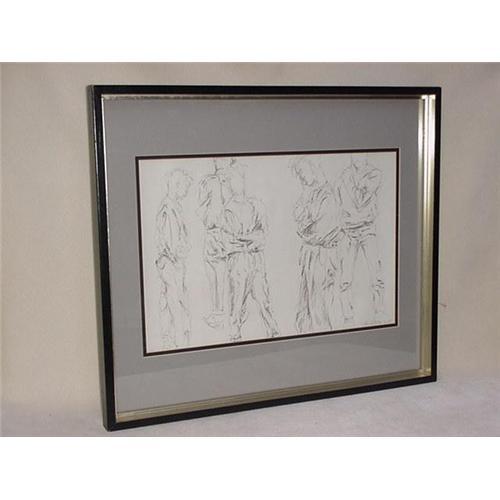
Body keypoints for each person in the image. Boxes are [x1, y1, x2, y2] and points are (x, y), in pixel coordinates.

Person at [220, 167, 279, 341]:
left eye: (238, 179)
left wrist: (247, 239)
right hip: (237, 261)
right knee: (237, 300)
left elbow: (262, 235)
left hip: (255, 259)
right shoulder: (227, 209)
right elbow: (228, 241)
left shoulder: (256, 205)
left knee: (263, 298)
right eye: (232, 181)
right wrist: (248, 240)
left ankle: (273, 330)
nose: (236, 184)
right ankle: (235, 334)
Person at [291, 156, 343, 332]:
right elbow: (297, 217)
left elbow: (322, 229)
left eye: (302, 172)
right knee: (305, 301)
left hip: (323, 254)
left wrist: (306, 231)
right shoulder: (308, 194)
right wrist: (306, 226)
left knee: (319, 301)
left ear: (312, 169)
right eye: (298, 174)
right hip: (310, 253)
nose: (301, 177)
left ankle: (323, 335)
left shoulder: (327, 194)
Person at [335, 153, 385, 324]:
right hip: (349, 232)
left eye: (360, 156)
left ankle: (379, 312)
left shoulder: (374, 174)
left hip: (367, 230)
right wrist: (348, 221)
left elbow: (366, 190)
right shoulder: (343, 177)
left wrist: (355, 219)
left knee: (376, 274)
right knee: (345, 277)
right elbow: (340, 206)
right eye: (354, 157)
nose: (357, 159)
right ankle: (347, 316)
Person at [155, 169, 193, 348]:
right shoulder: (169, 209)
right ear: (176, 185)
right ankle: (178, 342)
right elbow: (173, 245)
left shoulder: (173, 206)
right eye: (185, 186)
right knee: (175, 302)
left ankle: (171, 341)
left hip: (170, 263)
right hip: (171, 263)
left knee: (170, 302)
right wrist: (184, 248)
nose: (186, 191)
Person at [197, 157, 234, 328]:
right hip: (212, 233)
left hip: (221, 234)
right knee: (213, 274)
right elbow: (201, 205)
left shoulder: (229, 181)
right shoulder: (210, 181)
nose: (217, 163)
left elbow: (230, 207)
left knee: (221, 274)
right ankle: (217, 311)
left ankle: (221, 313)